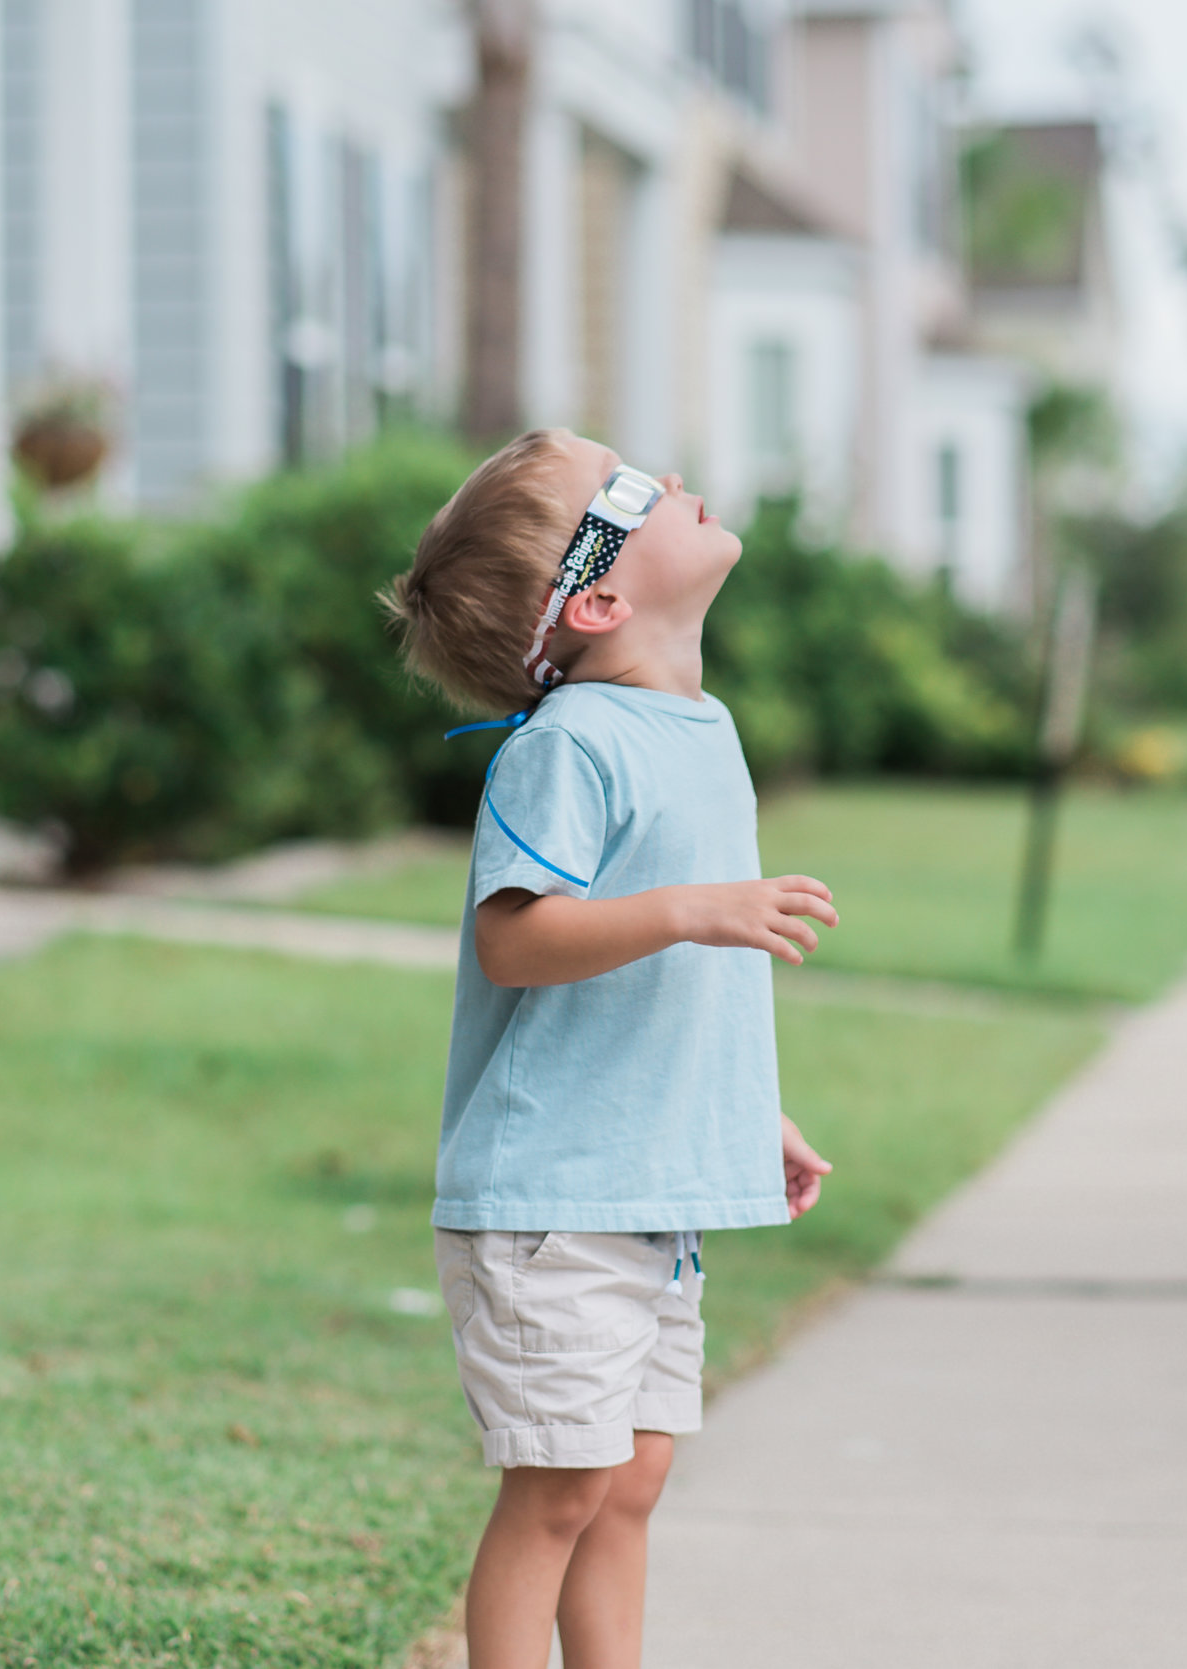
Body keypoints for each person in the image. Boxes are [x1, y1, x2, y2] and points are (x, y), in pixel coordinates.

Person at [386, 429, 837, 1669]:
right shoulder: (567, 746)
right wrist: (696, 906)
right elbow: (518, 942)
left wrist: (748, 1115)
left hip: (644, 1187)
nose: (673, 478)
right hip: (554, 1200)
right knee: (560, 1491)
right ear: (596, 594)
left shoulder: (700, 729)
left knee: (629, 1485)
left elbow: (685, 1000)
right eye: (633, 488)